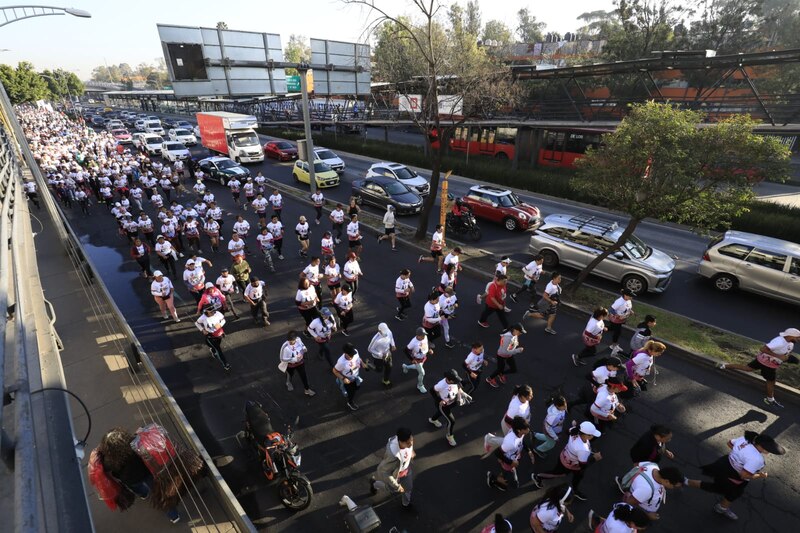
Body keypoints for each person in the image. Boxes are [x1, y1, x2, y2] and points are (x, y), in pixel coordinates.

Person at [685, 431, 785, 521]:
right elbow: (744, 475)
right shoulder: (757, 459)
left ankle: (722, 508)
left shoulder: (745, 439)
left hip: (725, 463)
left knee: (733, 493)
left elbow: (729, 443)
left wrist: (738, 456)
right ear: (761, 447)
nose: (769, 452)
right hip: (732, 477)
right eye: (769, 449)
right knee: (717, 488)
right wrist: (760, 475)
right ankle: (686, 481)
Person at [718, 328, 800, 408]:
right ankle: (769, 399)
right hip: (768, 365)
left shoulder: (790, 343)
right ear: (791, 336)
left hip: (763, 360)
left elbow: (785, 352)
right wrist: (779, 357)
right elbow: (763, 349)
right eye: (798, 337)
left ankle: (724, 365)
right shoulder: (779, 341)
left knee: (747, 368)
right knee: (771, 382)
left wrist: (788, 357)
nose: (799, 339)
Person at [531, 421, 603, 501]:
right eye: (592, 435)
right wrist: (594, 458)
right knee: (557, 474)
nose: (593, 436)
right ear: (586, 435)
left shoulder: (575, 430)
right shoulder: (583, 449)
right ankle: (538, 477)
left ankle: (575, 490)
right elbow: (583, 466)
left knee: (579, 476)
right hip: (569, 464)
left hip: (565, 455)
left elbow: (567, 431)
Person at [614, 462, 685, 521]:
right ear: (667, 481)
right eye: (674, 486)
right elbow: (629, 502)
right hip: (642, 512)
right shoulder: (646, 490)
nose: (673, 488)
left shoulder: (653, 465)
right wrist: (647, 515)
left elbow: (638, 464)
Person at [369, 427, 414, 508]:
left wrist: (411, 452)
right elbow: (384, 471)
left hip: (406, 471)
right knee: (391, 489)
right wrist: (396, 485)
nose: (410, 444)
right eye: (408, 443)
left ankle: (406, 504)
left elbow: (410, 446)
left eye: (411, 440)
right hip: (396, 476)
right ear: (400, 441)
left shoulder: (407, 440)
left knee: (408, 488)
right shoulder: (393, 455)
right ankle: (375, 484)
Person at [487, 416, 533, 491]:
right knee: (506, 474)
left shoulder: (520, 433)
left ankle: (509, 470)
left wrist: (528, 451)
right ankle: (493, 479)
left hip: (514, 456)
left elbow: (521, 441)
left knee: (508, 470)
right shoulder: (510, 442)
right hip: (508, 461)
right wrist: (511, 462)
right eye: (526, 429)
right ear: (519, 430)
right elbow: (497, 452)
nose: (528, 430)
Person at [428, 369, 469, 447]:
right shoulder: (441, 385)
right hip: (443, 406)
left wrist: (462, 392)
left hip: (452, 402)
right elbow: (431, 390)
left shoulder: (454, 380)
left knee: (441, 413)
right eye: (454, 380)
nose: (456, 381)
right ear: (449, 380)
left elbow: (458, 385)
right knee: (451, 421)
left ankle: (433, 420)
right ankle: (449, 436)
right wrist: (439, 400)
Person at [486, 323, 526, 388]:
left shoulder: (514, 334)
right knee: (500, 369)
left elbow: (514, 341)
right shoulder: (507, 338)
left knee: (514, 369)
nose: (521, 333)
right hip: (501, 356)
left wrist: (516, 344)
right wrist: (517, 350)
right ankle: (490, 379)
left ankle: (501, 374)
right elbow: (505, 352)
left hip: (509, 355)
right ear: (515, 330)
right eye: (520, 332)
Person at [279, 331, 315, 396]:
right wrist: (293, 359)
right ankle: (288, 382)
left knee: (304, 375)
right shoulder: (285, 346)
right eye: (289, 341)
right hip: (290, 365)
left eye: (292, 341)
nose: (290, 342)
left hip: (300, 363)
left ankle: (307, 389)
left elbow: (302, 345)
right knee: (290, 374)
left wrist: (304, 349)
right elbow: (282, 358)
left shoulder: (298, 339)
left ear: (295, 339)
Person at [195, 305, 230, 371]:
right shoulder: (202, 318)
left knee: (217, 345)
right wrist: (202, 330)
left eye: (214, 310)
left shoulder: (218, 314)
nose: (214, 312)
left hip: (219, 333)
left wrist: (219, 325)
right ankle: (225, 364)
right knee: (218, 350)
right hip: (210, 335)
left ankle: (213, 350)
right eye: (211, 311)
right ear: (206, 312)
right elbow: (197, 323)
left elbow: (224, 320)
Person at [333, 342, 364, 411]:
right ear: (345, 353)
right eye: (350, 354)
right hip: (348, 379)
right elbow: (335, 371)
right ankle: (350, 402)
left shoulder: (355, 351)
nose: (352, 356)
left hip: (356, 375)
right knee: (351, 392)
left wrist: (363, 363)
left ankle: (339, 382)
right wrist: (343, 378)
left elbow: (358, 358)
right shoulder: (341, 362)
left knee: (357, 387)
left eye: (352, 354)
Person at [402, 327, 433, 393]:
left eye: (424, 334)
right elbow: (405, 350)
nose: (424, 336)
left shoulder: (425, 337)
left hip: (423, 357)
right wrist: (412, 359)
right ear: (418, 336)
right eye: (422, 335)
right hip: (417, 359)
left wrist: (429, 349)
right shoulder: (413, 342)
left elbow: (427, 343)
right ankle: (420, 385)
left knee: (418, 367)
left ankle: (406, 367)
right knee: (422, 373)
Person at [367, 322, 396, 387]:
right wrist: (379, 354)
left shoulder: (388, 331)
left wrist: (393, 345)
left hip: (388, 354)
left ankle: (385, 380)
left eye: (386, 330)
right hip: (378, 358)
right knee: (379, 370)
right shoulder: (376, 339)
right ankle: (368, 363)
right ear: (379, 331)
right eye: (384, 331)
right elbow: (369, 349)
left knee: (389, 367)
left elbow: (391, 338)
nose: (385, 333)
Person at [607, 289, 635, 356]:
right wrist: (618, 316)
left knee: (612, 328)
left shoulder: (628, 300)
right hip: (616, 320)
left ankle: (602, 328)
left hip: (622, 319)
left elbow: (627, 307)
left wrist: (630, 311)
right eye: (630, 296)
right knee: (617, 332)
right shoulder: (619, 302)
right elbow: (610, 309)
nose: (632, 297)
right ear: (625, 295)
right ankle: (613, 345)